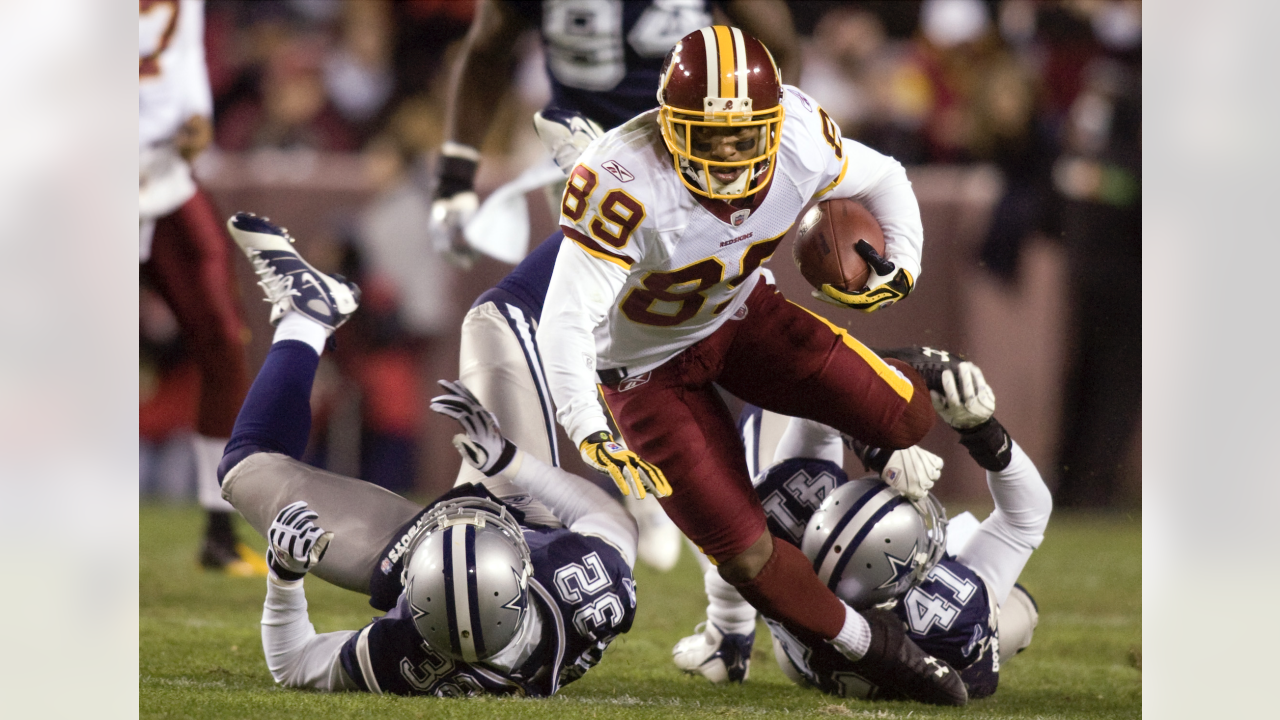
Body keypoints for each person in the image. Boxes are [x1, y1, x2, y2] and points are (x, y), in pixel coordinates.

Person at [536, 26, 965, 705]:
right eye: (708, 136)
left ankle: (865, 414)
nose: (731, 152)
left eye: (744, 134)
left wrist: (903, 269)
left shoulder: (799, 136)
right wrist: (587, 426)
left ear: (772, 122)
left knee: (909, 416)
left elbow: (886, 176)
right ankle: (875, 650)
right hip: (645, 374)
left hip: (742, 319)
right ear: (670, 126)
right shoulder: (625, 183)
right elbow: (561, 320)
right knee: (743, 554)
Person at [431, 0, 802, 572]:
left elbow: (776, 44)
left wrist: (760, 147)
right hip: (580, 161)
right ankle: (645, 481)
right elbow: (486, 49)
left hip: (694, 165)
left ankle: (721, 491)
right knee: (600, 326)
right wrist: (455, 174)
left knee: (708, 325)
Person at [218, 213, 638, 696]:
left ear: (412, 602)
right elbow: (611, 519)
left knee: (244, 469)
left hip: (420, 549)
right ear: (524, 571)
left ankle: (307, 314)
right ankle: (617, 205)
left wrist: (285, 578)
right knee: (496, 317)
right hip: (525, 509)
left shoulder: (410, 656)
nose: (456, 513)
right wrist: (510, 464)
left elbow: (294, 663)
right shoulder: (579, 590)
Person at [675, 348, 1049, 701]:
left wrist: (875, 442)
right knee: (1022, 611)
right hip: (851, 648)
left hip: (799, 643)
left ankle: (726, 637)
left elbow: (812, 398)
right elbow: (1025, 518)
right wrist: (985, 432)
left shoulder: (791, 512)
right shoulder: (950, 614)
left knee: (747, 525)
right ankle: (728, 635)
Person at [139, 0, 261, 575]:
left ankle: (219, 528)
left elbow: (184, 49)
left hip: (163, 180)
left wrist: (197, 114)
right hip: (79, 179)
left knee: (223, 339)